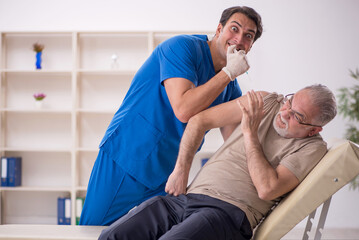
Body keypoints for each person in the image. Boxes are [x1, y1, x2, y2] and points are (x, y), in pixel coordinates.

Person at [80, 6, 263, 226]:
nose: (239, 39)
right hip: (128, 157)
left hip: (168, 173)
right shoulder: (181, 48)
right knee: (93, 230)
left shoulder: (230, 88)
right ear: (218, 29)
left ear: (250, 46)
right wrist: (228, 73)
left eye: (248, 36)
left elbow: (235, 143)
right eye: (234, 29)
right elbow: (183, 109)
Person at [98, 84, 337, 240]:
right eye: (289, 102)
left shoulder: (312, 148)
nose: (284, 113)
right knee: (113, 236)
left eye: (297, 116)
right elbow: (199, 121)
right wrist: (181, 169)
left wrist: (249, 133)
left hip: (227, 214)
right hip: (186, 199)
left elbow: (267, 188)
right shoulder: (266, 102)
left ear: (313, 129)